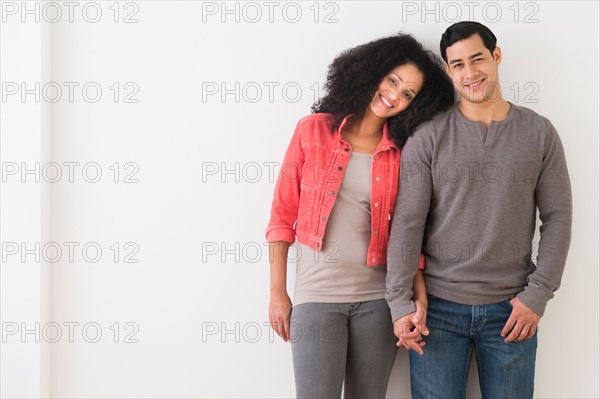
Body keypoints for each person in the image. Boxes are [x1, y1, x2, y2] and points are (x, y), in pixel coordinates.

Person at [385, 21, 572, 399]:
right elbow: (407, 223)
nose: (470, 73)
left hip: (512, 310)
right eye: (457, 65)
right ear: (448, 70)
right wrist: (399, 302)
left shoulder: (540, 133)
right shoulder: (429, 136)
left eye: (477, 59)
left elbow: (558, 218)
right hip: (435, 312)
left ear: (496, 56)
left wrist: (537, 296)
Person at [265, 33, 454, 398]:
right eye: (393, 81)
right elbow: (281, 215)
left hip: (377, 300)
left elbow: (409, 231)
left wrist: (418, 296)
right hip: (316, 295)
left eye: (409, 93)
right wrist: (277, 291)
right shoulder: (313, 130)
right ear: (372, 72)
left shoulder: (402, 153)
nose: (395, 96)